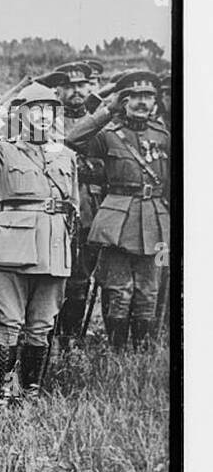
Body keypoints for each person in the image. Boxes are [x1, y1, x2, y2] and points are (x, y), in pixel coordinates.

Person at [0, 83, 78, 400]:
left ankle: (29, 393)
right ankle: (5, 393)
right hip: (12, 246)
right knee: (9, 322)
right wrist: (0, 116)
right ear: (21, 114)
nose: (43, 116)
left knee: (41, 324)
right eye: (35, 109)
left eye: (49, 110)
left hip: (53, 247)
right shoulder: (3, 149)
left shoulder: (66, 155)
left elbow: (73, 206)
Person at [64, 69, 170, 347]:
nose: (141, 102)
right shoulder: (109, 134)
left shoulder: (163, 135)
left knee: (149, 291)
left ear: (156, 102)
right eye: (134, 96)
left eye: (148, 96)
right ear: (124, 101)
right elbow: (73, 140)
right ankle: (116, 351)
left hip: (157, 224)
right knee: (118, 291)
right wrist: (106, 110)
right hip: (117, 224)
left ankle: (142, 351)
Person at [41, 61, 109, 341]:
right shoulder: (46, 120)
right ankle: (47, 334)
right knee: (54, 273)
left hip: (90, 208)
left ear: (90, 86)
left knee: (81, 277)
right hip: (56, 205)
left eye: (81, 85)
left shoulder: (102, 121)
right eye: (69, 86)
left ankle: (71, 338)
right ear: (58, 90)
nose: (76, 91)